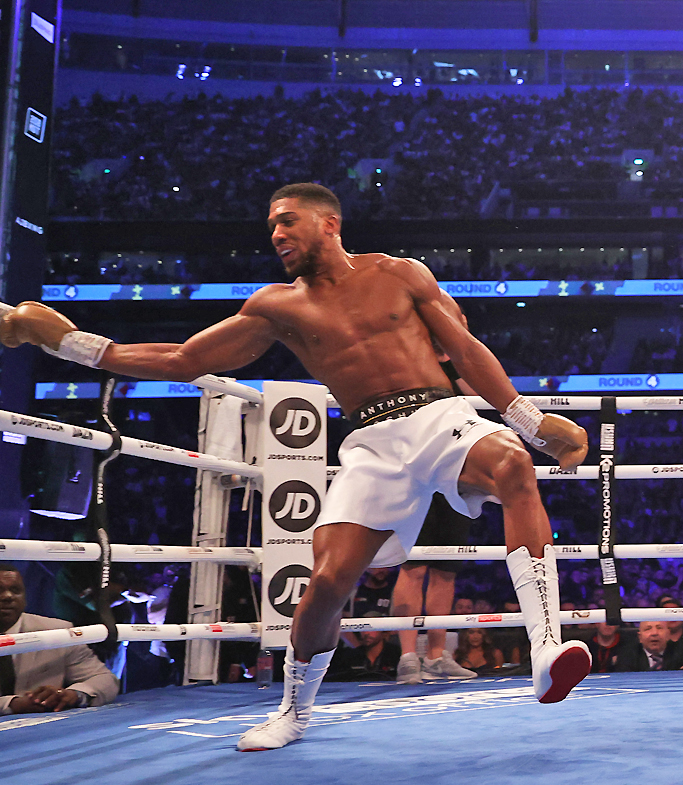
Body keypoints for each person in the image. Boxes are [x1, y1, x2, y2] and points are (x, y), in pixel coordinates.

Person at [0, 183, 593, 751]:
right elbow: (184, 359)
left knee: (513, 465)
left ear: (328, 223)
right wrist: (66, 341)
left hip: (439, 415)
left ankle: (546, 648)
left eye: (287, 221)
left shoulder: (400, 273)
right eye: (271, 226)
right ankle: (292, 710)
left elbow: (464, 350)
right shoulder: (277, 305)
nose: (277, 234)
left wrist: (531, 423)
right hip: (370, 443)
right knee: (327, 585)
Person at [0, 564, 119, 714]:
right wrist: (11, 704)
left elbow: (105, 679)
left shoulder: (57, 632)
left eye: (15, 590)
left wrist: (74, 695)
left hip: (45, 730)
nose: (7, 596)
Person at [394, 494, 478, 684]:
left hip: (456, 485)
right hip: (417, 481)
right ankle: (408, 657)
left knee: (446, 571)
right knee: (413, 568)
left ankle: (436, 658)